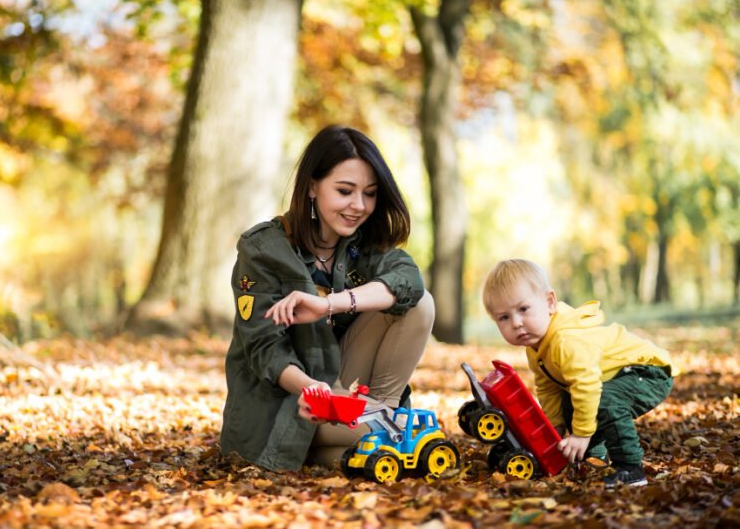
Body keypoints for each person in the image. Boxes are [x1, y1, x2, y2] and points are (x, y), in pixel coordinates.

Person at [220, 125, 435, 472]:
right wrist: (312, 390)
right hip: (289, 398)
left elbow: (408, 280)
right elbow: (264, 348)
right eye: (345, 191)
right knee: (394, 436)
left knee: (417, 302)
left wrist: (329, 303)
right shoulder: (263, 249)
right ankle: (377, 431)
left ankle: (378, 421)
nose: (359, 206)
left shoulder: (367, 244)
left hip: (348, 397)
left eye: (370, 193)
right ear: (311, 187)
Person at [481, 258, 677, 488]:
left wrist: (581, 434)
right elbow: (548, 387)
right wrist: (554, 430)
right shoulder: (536, 347)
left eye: (523, 309)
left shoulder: (566, 340)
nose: (516, 323)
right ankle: (594, 458)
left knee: (605, 402)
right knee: (570, 401)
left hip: (649, 371)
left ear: (549, 303)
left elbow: (587, 385)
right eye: (504, 317)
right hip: (616, 376)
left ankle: (630, 468)